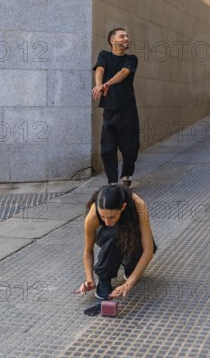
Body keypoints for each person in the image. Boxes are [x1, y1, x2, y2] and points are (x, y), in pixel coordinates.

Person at [76, 184, 156, 302]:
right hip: (105, 236)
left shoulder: (139, 205)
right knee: (116, 232)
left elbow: (148, 250)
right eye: (103, 217)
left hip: (129, 232)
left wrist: (129, 283)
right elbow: (88, 250)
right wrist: (89, 279)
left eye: (112, 216)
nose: (107, 222)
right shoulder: (92, 216)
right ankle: (104, 279)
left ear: (123, 207)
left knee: (134, 235)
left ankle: (129, 265)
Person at [92, 28, 140, 187]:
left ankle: (127, 175)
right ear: (113, 41)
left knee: (129, 147)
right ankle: (112, 181)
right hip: (110, 110)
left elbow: (124, 72)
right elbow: (100, 68)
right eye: (122, 36)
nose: (126, 38)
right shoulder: (104, 55)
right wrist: (99, 85)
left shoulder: (132, 59)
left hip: (128, 110)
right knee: (108, 148)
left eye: (127, 35)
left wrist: (107, 84)